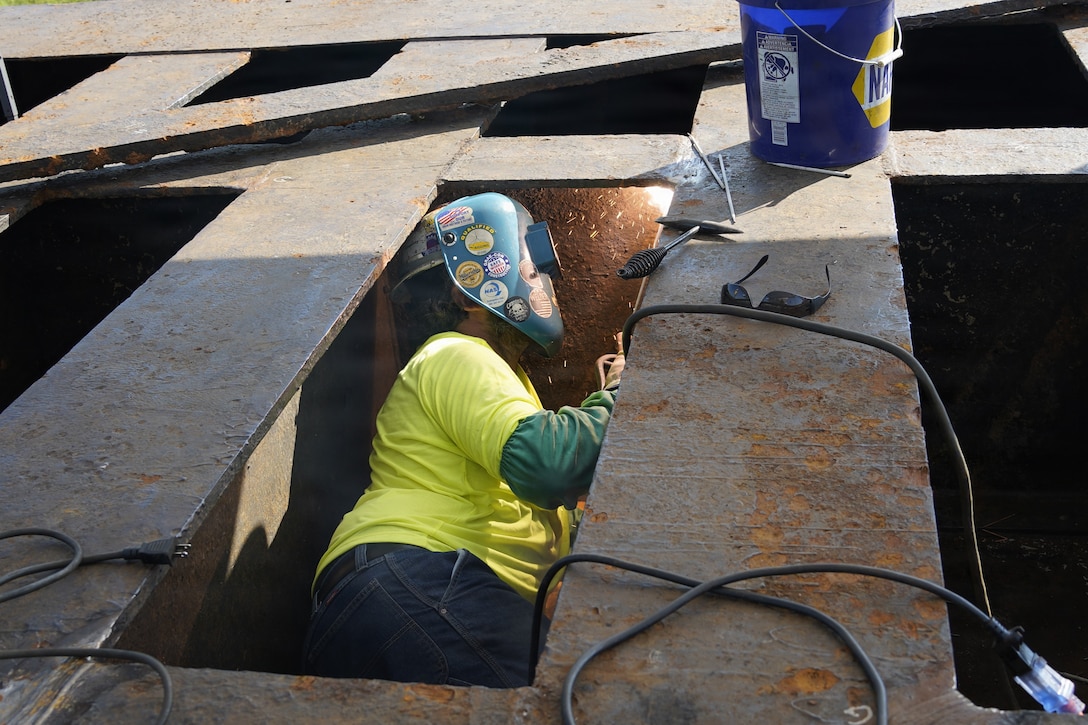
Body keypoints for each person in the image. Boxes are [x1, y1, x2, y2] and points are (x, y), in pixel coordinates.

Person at [301, 192, 616, 688]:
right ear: (469, 294)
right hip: (426, 579)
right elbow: (548, 462)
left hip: (404, 597)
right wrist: (625, 395)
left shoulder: (507, 389)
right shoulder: (455, 353)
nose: (545, 283)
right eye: (533, 269)